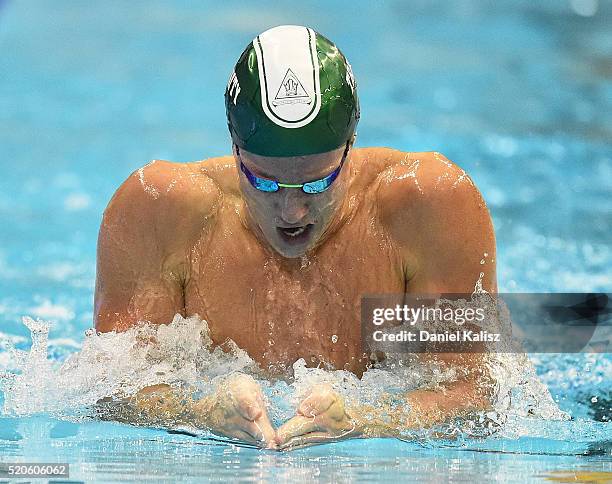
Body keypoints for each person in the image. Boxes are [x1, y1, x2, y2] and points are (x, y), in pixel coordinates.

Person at [94, 25, 497, 450]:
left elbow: (474, 397)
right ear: (234, 148)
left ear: (350, 146)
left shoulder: (428, 206)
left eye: (316, 184)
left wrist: (367, 421)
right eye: (265, 183)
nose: (292, 212)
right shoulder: (159, 210)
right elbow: (109, 393)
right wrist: (198, 413)